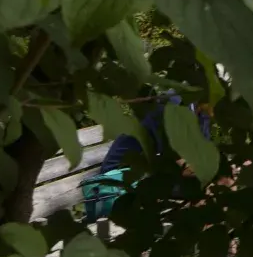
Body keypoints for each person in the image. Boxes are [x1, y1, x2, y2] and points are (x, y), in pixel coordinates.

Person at [80, 93, 212, 222]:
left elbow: (200, 156)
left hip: (149, 175)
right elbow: (180, 162)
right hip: (120, 178)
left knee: (214, 186)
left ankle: (211, 239)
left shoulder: (202, 114)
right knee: (203, 188)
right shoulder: (169, 105)